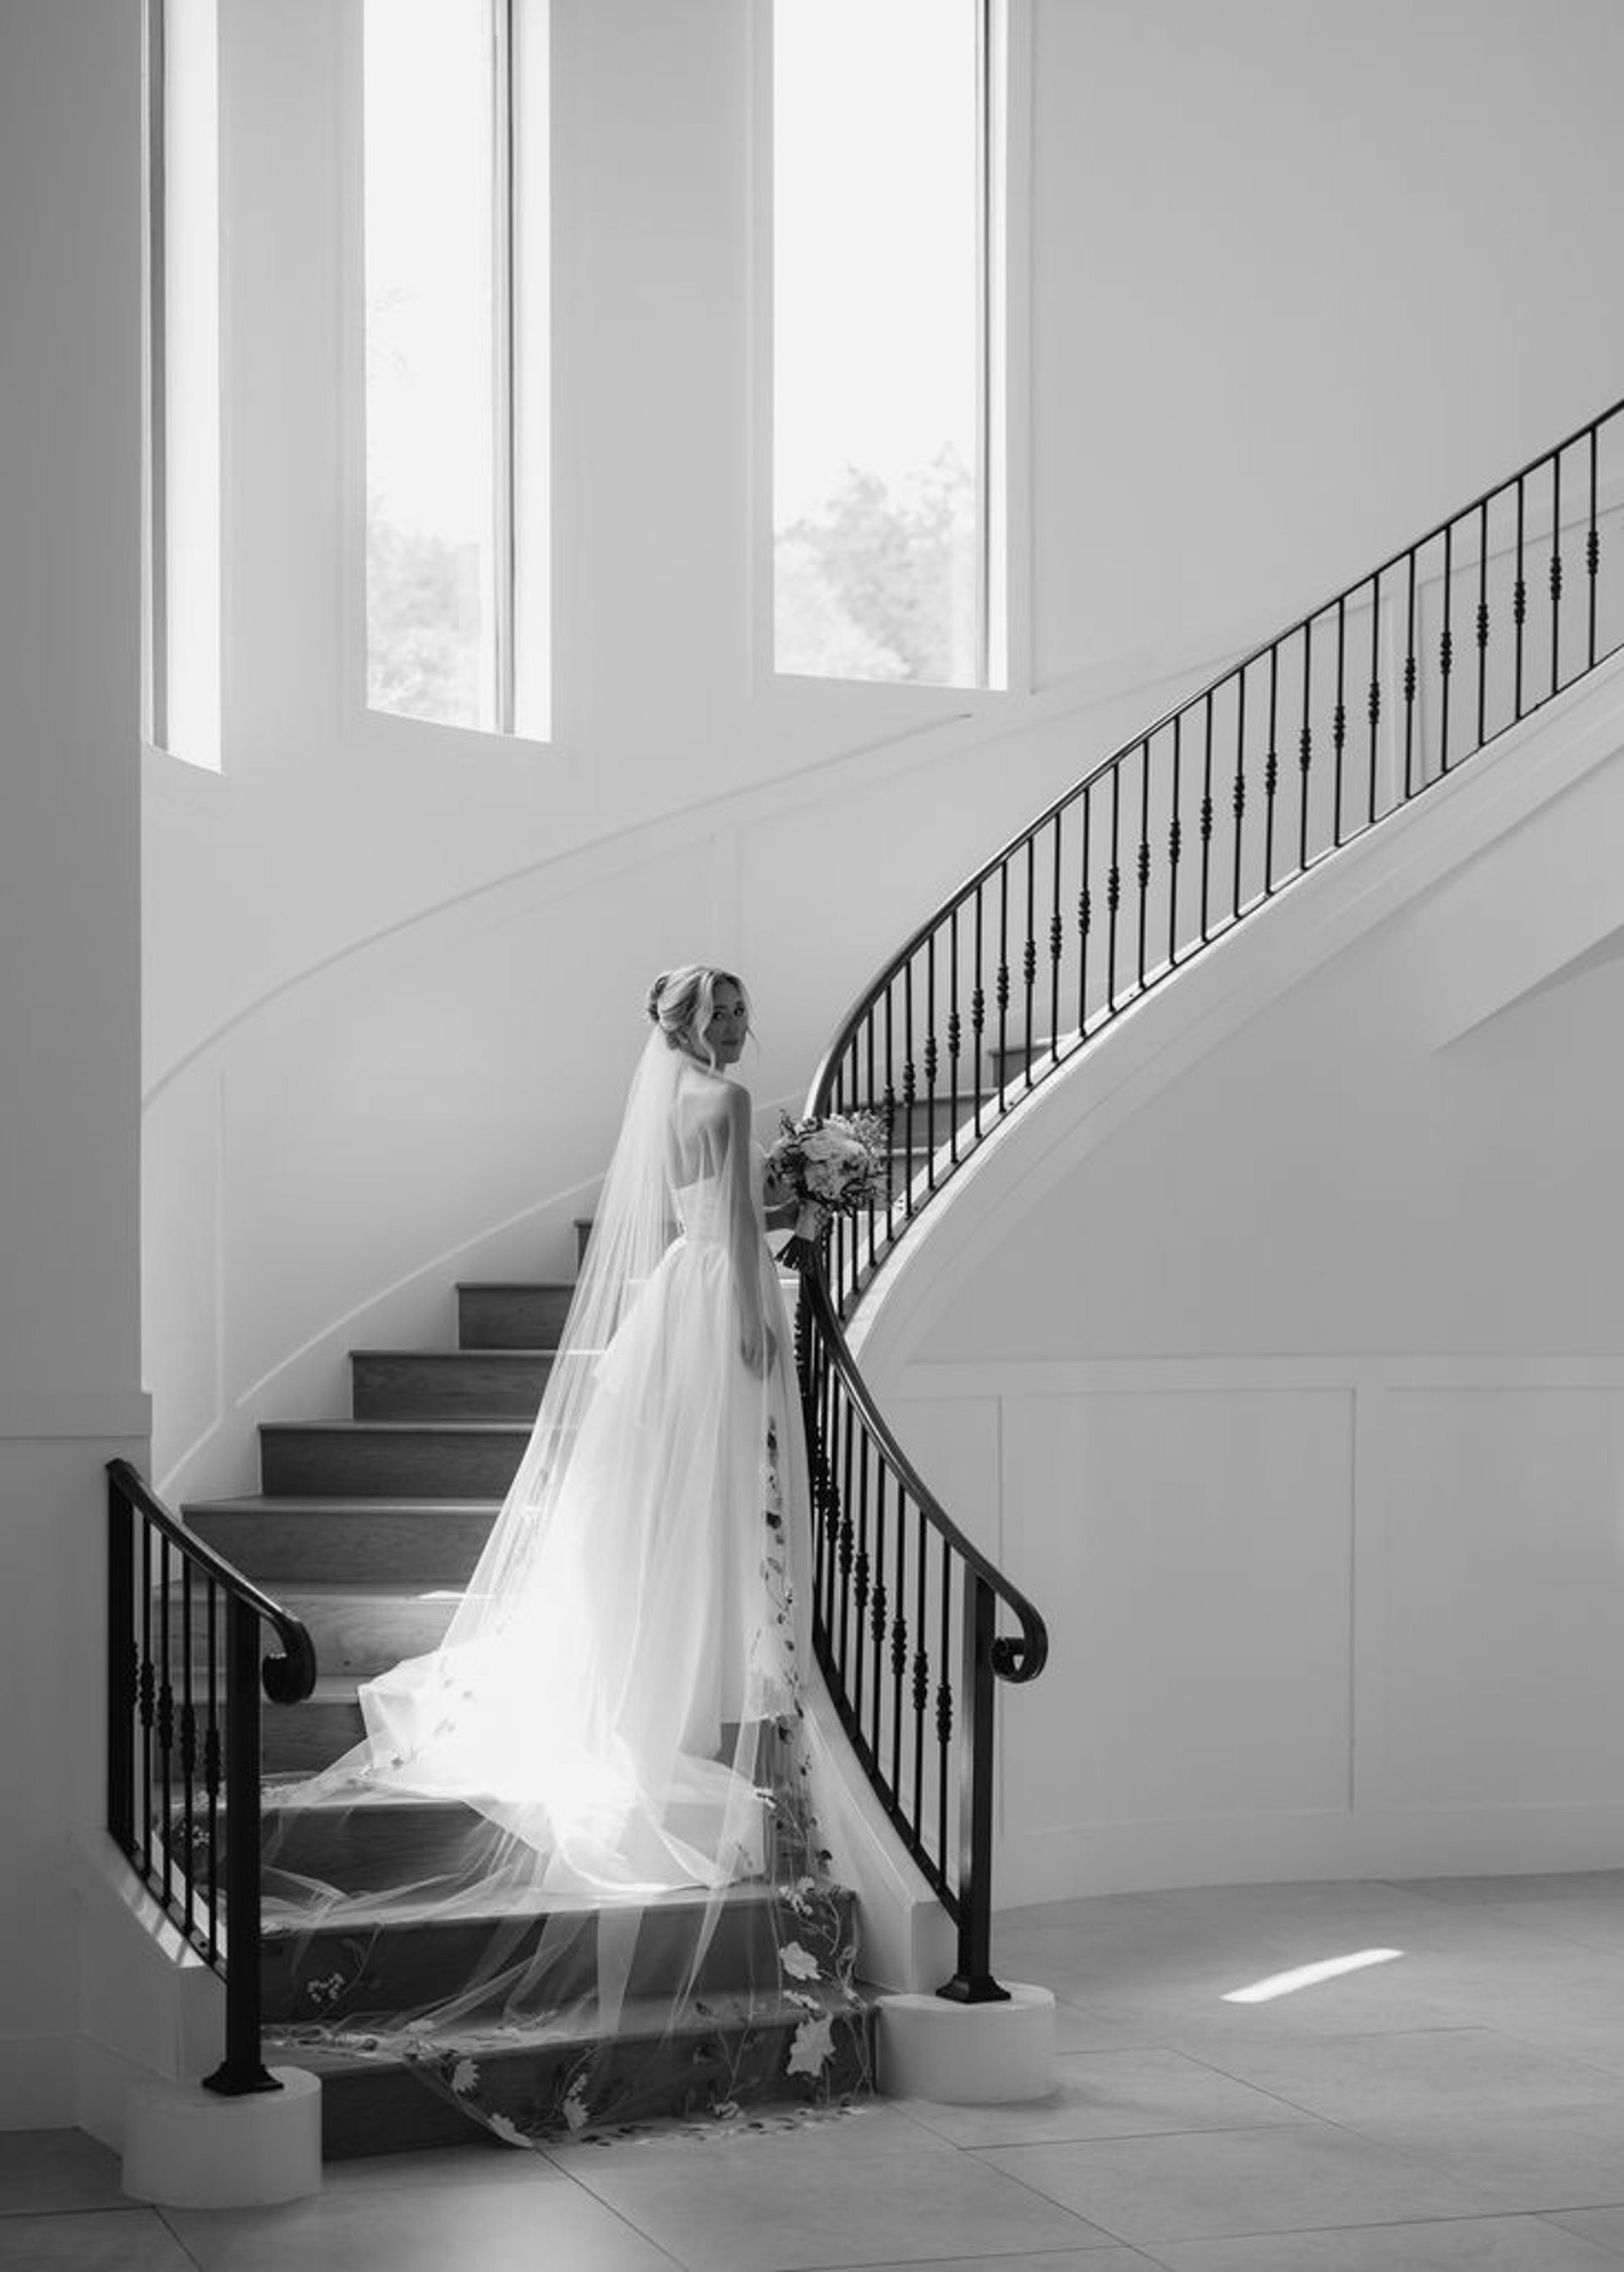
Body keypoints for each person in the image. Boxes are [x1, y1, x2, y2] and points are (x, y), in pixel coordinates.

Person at [266, 965, 864, 2139]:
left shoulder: (670, 1096)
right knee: (708, 1500)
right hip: (718, 1299)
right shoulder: (734, 1104)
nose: (745, 1029)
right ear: (706, 1025)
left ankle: (672, 1665)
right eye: (732, 1015)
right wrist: (767, 1295)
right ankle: (695, 1675)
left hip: (665, 1305)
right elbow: (739, 1227)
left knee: (661, 1503)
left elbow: (689, 1215)